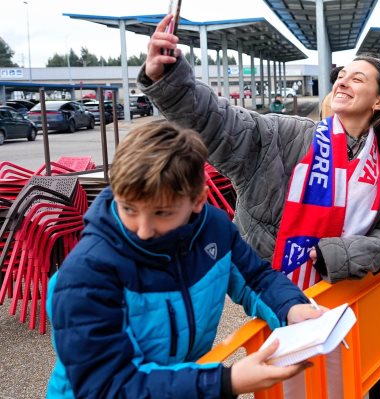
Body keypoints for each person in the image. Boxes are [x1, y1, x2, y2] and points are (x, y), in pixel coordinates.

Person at [47, 122, 323, 398]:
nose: (143, 230)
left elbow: (256, 278)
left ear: (198, 200)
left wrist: (290, 306)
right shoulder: (85, 274)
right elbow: (106, 386)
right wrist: (225, 382)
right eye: (129, 208)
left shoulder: (215, 229)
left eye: (162, 213)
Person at [141, 13, 380, 288]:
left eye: (357, 79)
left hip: (344, 295)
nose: (341, 82)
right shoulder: (286, 134)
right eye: (341, 76)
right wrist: (170, 81)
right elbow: (220, 121)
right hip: (270, 289)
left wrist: (339, 255)